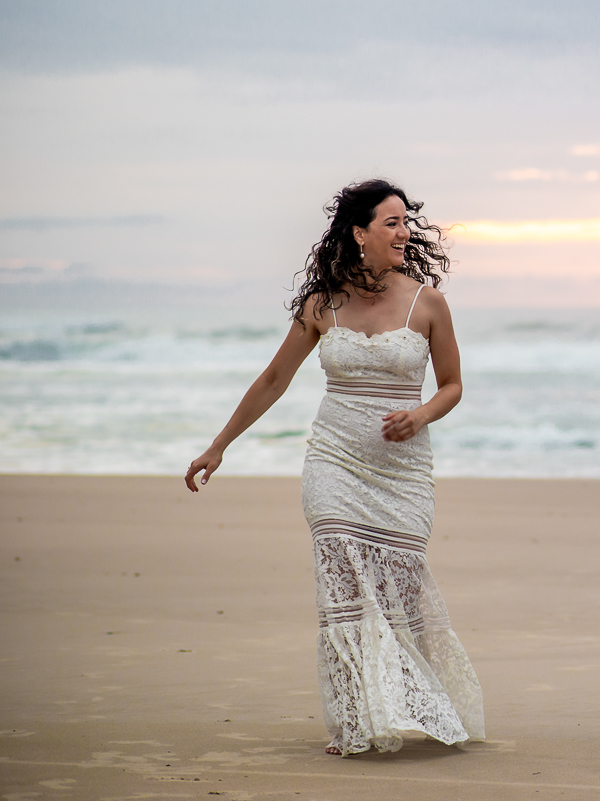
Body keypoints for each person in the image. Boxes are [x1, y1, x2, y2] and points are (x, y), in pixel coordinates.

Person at [185, 179, 484, 756]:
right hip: (333, 462)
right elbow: (274, 379)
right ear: (360, 233)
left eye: (406, 222)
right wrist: (219, 445)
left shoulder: (427, 303)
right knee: (341, 583)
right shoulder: (323, 304)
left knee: (400, 590)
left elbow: (452, 385)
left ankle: (413, 703)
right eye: (392, 223)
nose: (404, 232)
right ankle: (354, 721)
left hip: (402, 474)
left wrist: (420, 415)